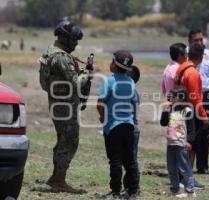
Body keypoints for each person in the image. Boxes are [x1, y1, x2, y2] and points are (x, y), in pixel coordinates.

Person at [41, 20, 90, 193]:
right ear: (65, 38)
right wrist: (86, 74)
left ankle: (56, 177)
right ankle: (59, 180)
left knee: (63, 140)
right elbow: (76, 83)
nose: (76, 43)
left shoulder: (51, 52)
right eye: (74, 39)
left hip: (59, 104)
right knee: (69, 141)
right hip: (64, 106)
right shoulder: (61, 57)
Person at [97, 50, 140, 199]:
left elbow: (100, 102)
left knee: (115, 160)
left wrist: (102, 116)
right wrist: (133, 119)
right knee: (129, 160)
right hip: (128, 125)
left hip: (113, 126)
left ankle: (115, 191)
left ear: (114, 65)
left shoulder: (108, 81)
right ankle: (133, 190)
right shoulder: (131, 82)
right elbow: (133, 103)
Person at [188, 29, 209, 174]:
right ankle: (187, 165)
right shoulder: (185, 54)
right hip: (191, 97)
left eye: (201, 39)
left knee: (205, 131)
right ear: (189, 41)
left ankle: (203, 166)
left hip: (206, 96)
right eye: (196, 40)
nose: (200, 42)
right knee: (191, 131)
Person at [160, 88, 197, 198]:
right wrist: (165, 111)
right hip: (171, 143)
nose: (170, 98)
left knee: (184, 168)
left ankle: (190, 190)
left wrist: (190, 141)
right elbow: (163, 123)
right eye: (170, 96)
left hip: (181, 144)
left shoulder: (187, 111)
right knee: (171, 168)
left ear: (181, 98)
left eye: (173, 96)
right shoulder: (170, 109)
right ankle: (175, 189)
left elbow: (191, 128)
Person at [122, 65, 141, 195]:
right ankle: (129, 186)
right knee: (128, 159)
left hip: (131, 128)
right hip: (129, 127)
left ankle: (133, 187)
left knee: (131, 160)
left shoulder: (131, 90)